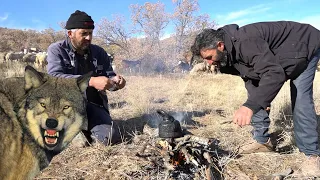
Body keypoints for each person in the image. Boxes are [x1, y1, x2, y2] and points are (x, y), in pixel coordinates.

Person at [191, 21, 320, 176]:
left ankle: (312, 154)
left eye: (209, 57)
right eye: (205, 59)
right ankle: (262, 141)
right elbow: (251, 78)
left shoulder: (246, 42)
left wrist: (251, 106)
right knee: (255, 98)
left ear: (220, 45)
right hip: (281, 58)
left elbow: (274, 73)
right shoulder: (225, 58)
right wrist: (257, 103)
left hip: (304, 44)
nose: (209, 62)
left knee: (300, 98)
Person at [47, 10, 126, 145]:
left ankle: (81, 127)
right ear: (70, 34)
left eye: (90, 33)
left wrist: (117, 83)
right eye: (84, 33)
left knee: (109, 138)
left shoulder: (99, 52)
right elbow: (55, 77)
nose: (89, 38)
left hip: (92, 105)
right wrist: (91, 81)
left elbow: (109, 76)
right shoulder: (56, 49)